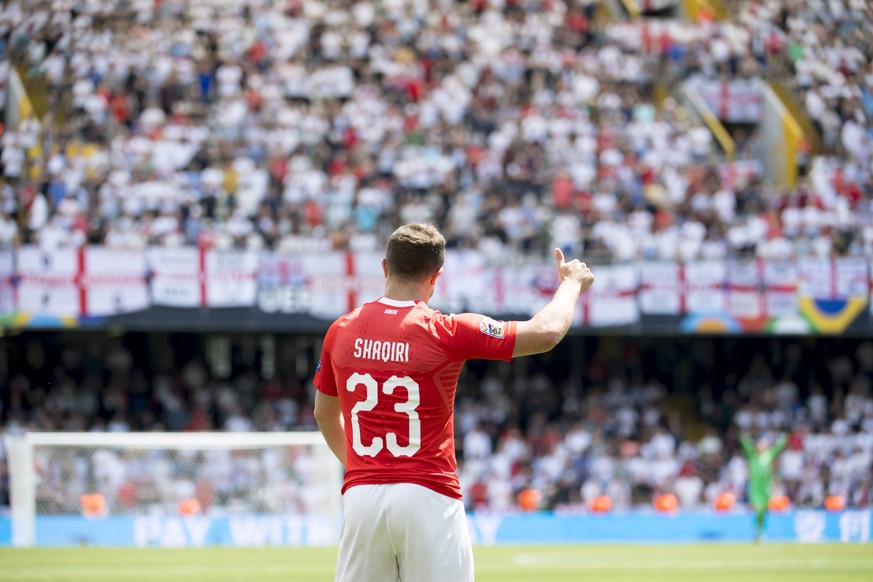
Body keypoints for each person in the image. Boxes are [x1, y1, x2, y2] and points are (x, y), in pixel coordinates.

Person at [313, 223, 594, 581]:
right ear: (437, 276)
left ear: (385, 268)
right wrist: (571, 284)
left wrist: (365, 468)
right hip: (428, 492)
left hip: (361, 496)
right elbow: (545, 332)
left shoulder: (341, 330)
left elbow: (324, 414)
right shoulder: (445, 330)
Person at [740, 432, 787, 542]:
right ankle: (757, 532)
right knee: (759, 508)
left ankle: (760, 532)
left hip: (766, 489)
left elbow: (778, 448)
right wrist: (744, 437)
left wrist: (783, 438)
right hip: (755, 489)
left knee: (764, 511)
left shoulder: (768, 455)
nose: (761, 447)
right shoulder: (753, 456)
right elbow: (746, 447)